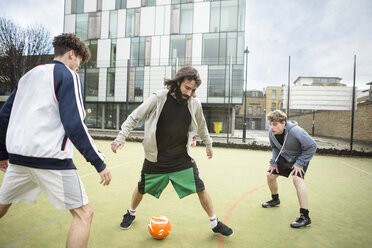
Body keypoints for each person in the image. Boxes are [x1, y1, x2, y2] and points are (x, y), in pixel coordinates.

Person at [0, 33, 112, 247]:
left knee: (2, 205)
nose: (78, 66)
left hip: (18, 160)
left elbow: (4, 116)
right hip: (51, 162)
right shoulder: (67, 76)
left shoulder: (28, 76)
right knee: (84, 214)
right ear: (72, 54)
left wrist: (2, 154)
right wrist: (99, 162)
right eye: (79, 61)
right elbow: (74, 124)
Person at [111, 66, 233, 237]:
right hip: (156, 158)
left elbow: (202, 124)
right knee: (141, 188)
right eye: (187, 88)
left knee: (200, 187)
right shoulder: (159, 97)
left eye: (193, 90)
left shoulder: (194, 103)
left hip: (181, 158)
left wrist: (208, 143)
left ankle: (214, 223)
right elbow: (135, 116)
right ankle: (131, 213)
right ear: (178, 82)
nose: (189, 93)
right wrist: (121, 137)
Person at [262, 110, 317, 228]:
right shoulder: (271, 132)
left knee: (297, 179)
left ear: (283, 123)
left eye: (275, 124)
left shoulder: (296, 131)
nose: (272, 127)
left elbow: (312, 146)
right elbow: (275, 148)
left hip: (300, 158)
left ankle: (305, 217)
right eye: (270, 124)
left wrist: (300, 163)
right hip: (285, 156)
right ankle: (275, 199)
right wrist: (273, 163)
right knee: (270, 175)